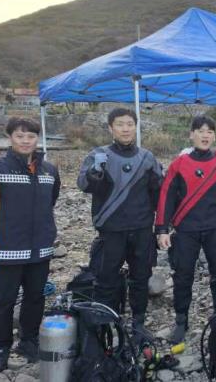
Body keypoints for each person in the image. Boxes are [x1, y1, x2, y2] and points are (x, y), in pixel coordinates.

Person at [0, 117, 61, 371]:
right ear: (10, 138)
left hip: (40, 247)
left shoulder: (49, 170)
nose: (25, 141)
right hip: (8, 248)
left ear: (37, 139)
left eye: (30, 136)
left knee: (35, 297)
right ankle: (1, 348)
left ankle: (29, 341)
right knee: (4, 300)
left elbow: (51, 200)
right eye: (20, 136)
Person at [155, 115, 216, 344]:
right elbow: (166, 196)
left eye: (210, 131)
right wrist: (162, 229)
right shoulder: (179, 164)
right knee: (182, 275)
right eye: (200, 131)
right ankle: (181, 320)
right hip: (186, 229)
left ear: (214, 136)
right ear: (191, 134)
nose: (205, 135)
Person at [77, 108, 162, 344]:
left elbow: (159, 193)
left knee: (141, 277)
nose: (125, 129)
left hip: (141, 228)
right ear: (110, 128)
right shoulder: (98, 155)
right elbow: (83, 184)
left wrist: (163, 226)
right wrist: (95, 173)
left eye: (129, 124)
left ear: (136, 127)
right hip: (111, 229)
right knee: (106, 279)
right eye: (120, 124)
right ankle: (105, 325)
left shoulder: (147, 158)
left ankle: (138, 324)